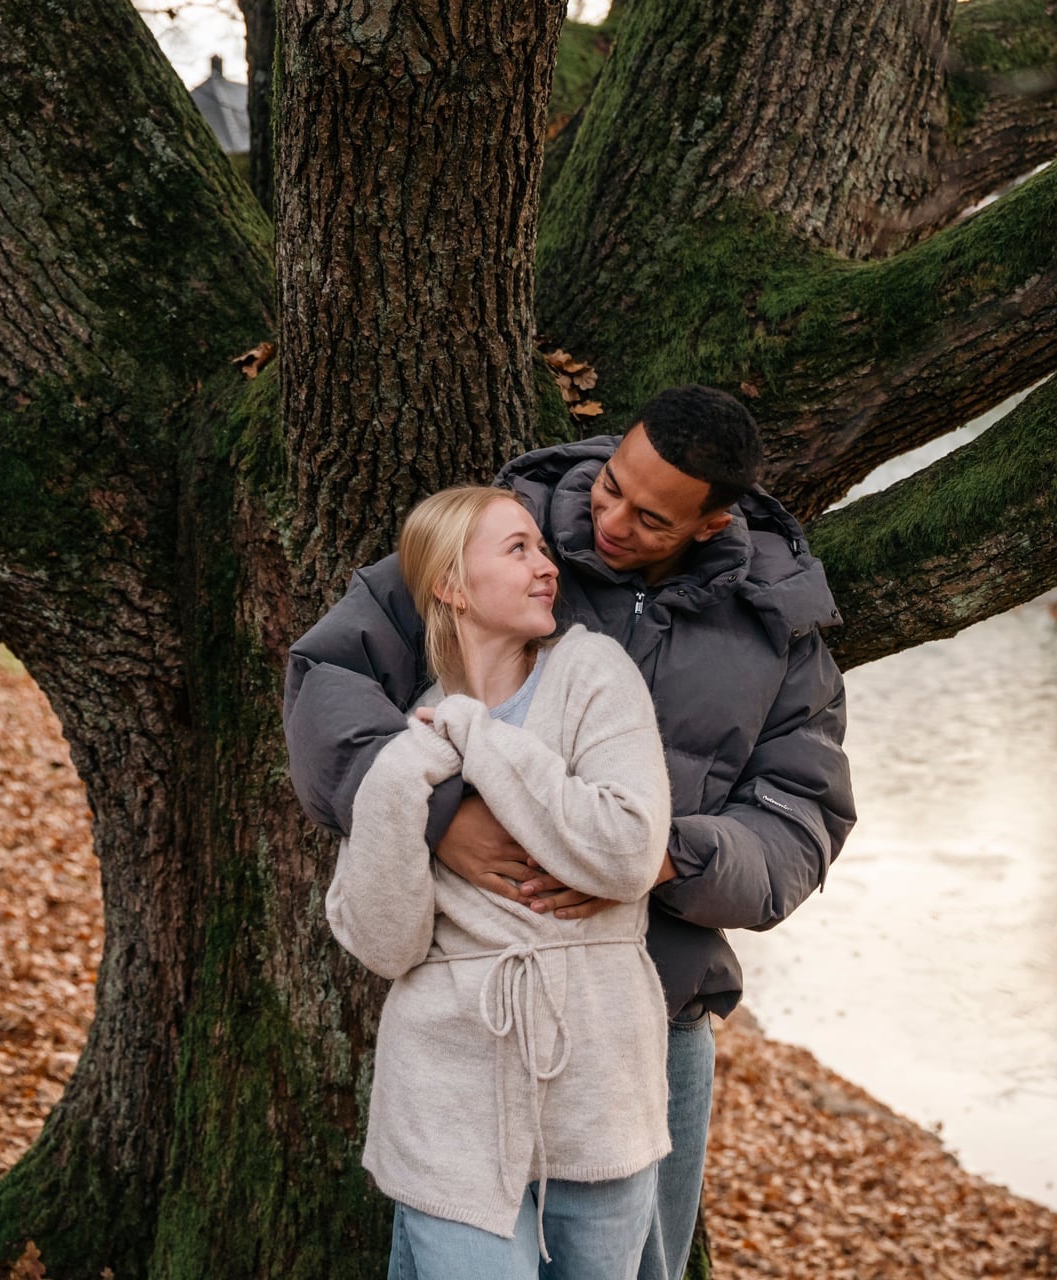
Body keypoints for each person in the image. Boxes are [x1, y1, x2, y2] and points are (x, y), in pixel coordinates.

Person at [286, 384, 855, 1280]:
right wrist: (445, 820)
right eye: (612, 486)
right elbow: (327, 682)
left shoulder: (774, 628)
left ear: (710, 524)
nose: (611, 522)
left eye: (651, 518)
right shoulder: (503, 541)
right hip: (469, 1022)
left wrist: (662, 858)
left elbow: (802, 818)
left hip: (649, 1016)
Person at [326, 485, 673, 1277]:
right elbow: (384, 944)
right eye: (517, 550)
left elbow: (626, 847)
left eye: (542, 549)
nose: (546, 566)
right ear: (450, 583)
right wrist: (399, 781)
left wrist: (480, 738)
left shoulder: (592, 672)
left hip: (599, 1084)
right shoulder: (412, 731)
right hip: (447, 1093)